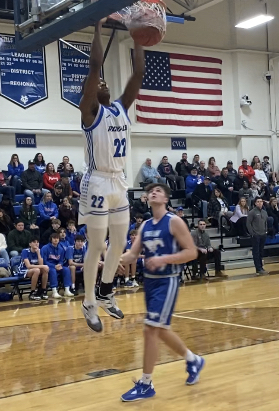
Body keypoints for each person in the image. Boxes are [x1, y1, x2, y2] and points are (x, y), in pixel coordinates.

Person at [78, 18, 145, 332]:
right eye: (98, 83)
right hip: (97, 181)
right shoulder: (90, 112)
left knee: (119, 242)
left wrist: (139, 35)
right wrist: (96, 27)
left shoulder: (120, 108)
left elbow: (139, 73)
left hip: (119, 180)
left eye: (105, 82)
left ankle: (106, 291)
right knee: (96, 244)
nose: (103, 83)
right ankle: (89, 301)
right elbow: (93, 67)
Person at [119, 183, 204, 402]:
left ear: (166, 199)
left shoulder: (174, 221)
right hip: (150, 282)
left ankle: (146, 384)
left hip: (167, 281)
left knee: (150, 330)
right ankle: (193, 359)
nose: (153, 193)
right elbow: (132, 254)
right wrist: (113, 261)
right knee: (161, 330)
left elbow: (191, 252)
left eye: (158, 191)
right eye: (151, 191)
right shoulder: (145, 225)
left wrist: (163, 259)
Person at [41, 232, 72, 298]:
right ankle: (54, 292)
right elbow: (44, 261)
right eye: (54, 238)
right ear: (51, 239)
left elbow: (61, 260)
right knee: (53, 271)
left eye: (57, 238)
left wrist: (60, 264)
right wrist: (54, 266)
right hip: (49, 266)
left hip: (57, 265)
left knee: (66, 269)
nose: (56, 240)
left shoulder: (61, 248)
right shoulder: (45, 248)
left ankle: (67, 290)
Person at [247, 197, 269, 275]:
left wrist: (266, 231)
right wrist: (252, 233)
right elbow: (248, 223)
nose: (260, 203)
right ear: (255, 203)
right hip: (256, 235)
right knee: (256, 252)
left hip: (263, 234)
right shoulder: (252, 212)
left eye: (261, 201)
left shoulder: (264, 212)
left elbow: (266, 222)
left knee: (261, 252)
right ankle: (258, 268)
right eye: (258, 201)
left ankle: (261, 267)